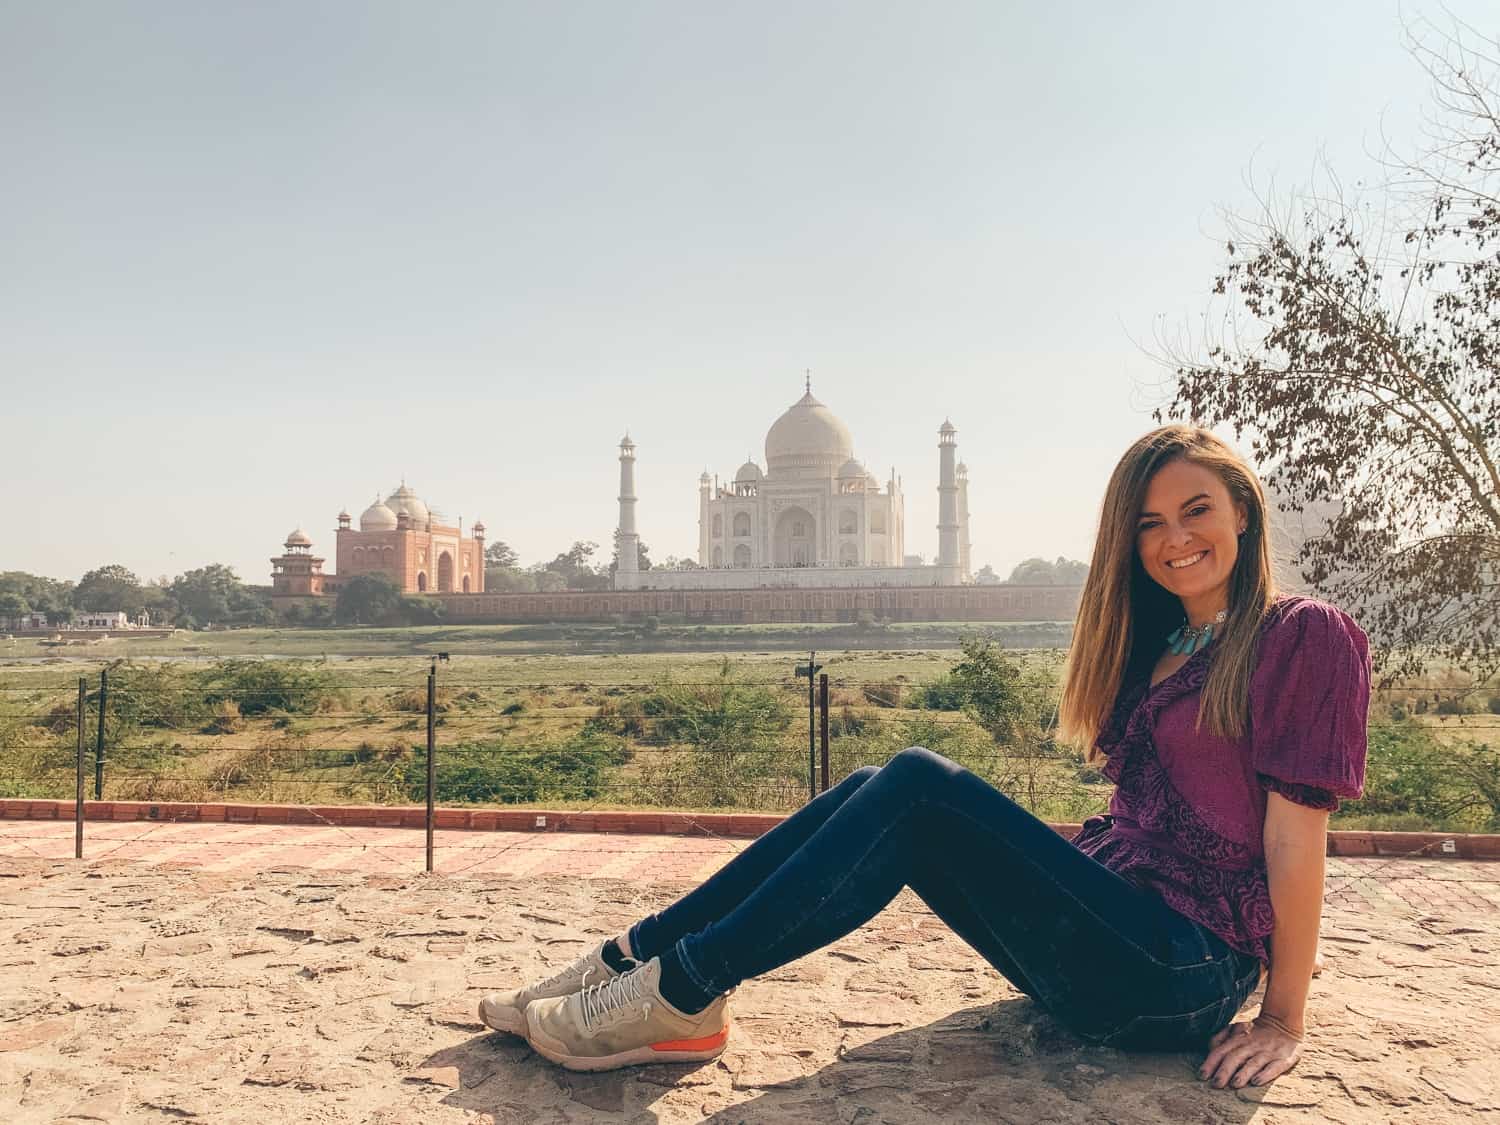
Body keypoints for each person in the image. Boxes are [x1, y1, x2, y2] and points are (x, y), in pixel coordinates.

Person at [478, 424, 1370, 1090]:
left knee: (911, 782)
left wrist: (1283, 1017)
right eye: (1150, 523)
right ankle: (628, 960)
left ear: (1244, 510)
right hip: (1110, 944)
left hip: (1181, 972)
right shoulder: (1160, 640)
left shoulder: (1300, 635)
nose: (1175, 537)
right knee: (877, 785)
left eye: (1196, 510)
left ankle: (679, 992)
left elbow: (1295, 842)